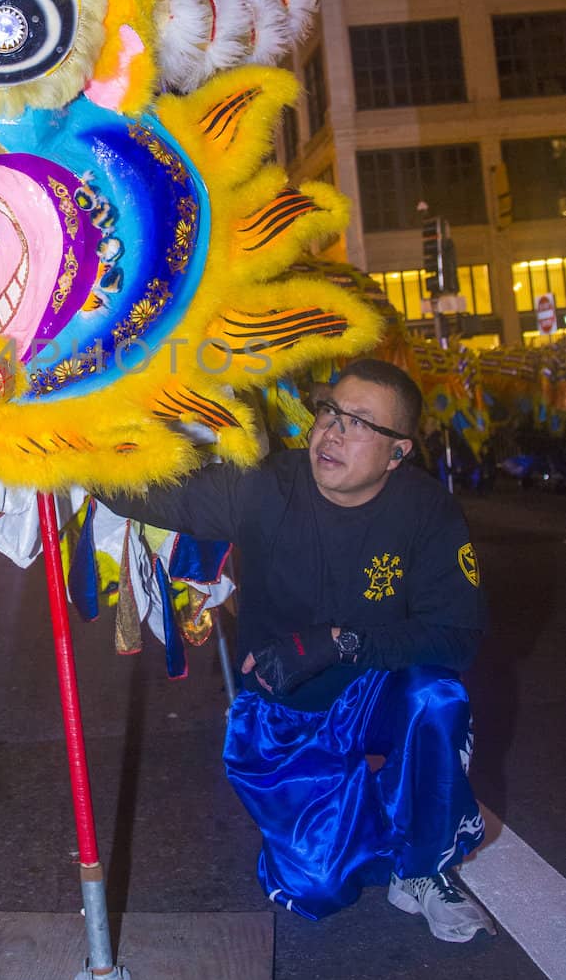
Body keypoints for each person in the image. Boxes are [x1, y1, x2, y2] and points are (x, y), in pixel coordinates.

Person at [100, 357, 492, 944]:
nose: (332, 432)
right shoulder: (263, 486)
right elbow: (147, 495)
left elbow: (458, 634)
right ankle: (363, 811)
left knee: (436, 695)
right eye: (330, 411)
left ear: (398, 452)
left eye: (360, 424)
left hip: (373, 689)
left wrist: (336, 643)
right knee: (315, 888)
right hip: (288, 710)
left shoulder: (426, 511)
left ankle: (424, 865)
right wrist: (57, 448)